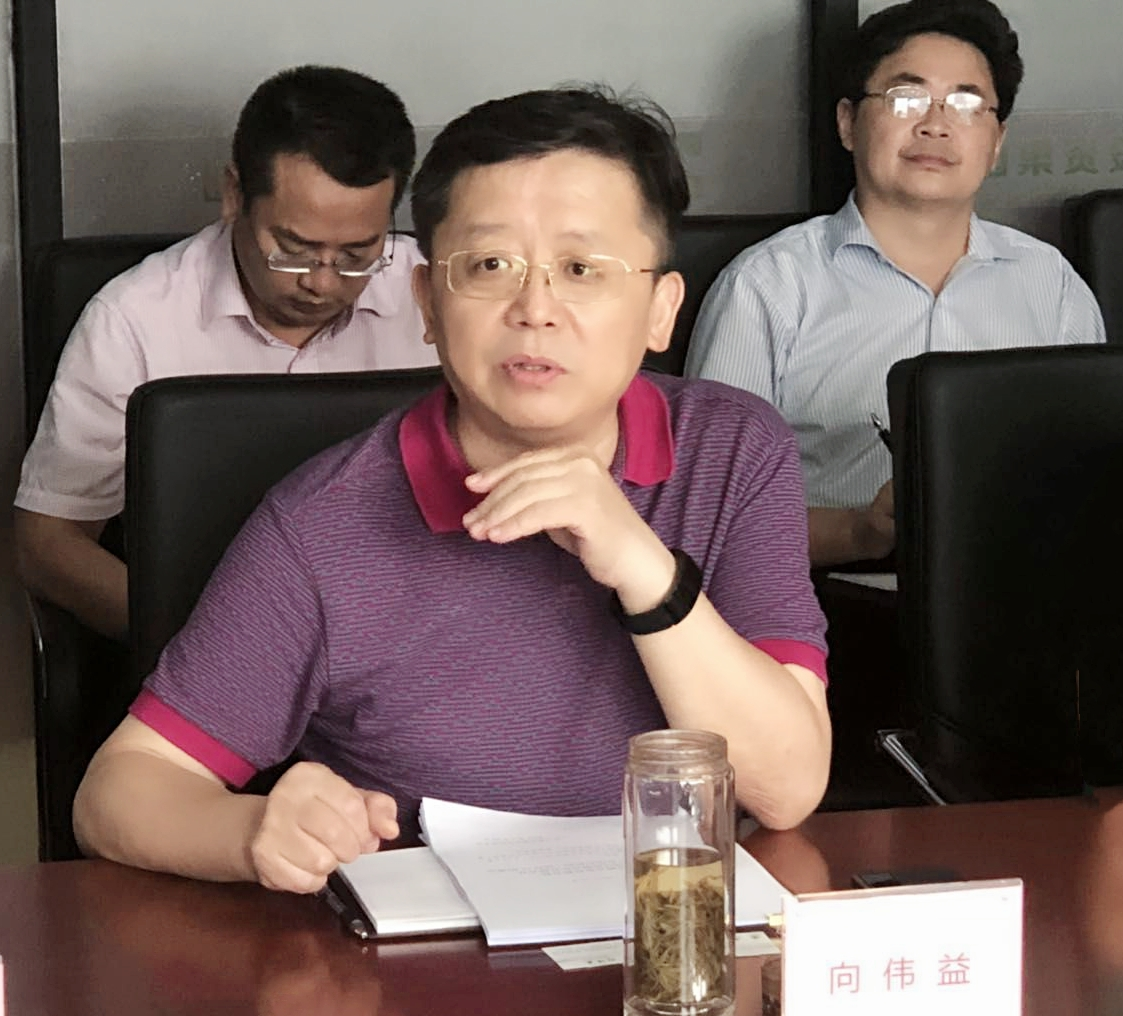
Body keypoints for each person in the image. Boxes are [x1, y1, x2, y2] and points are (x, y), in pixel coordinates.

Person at [74, 87, 831, 894]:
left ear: (659, 309)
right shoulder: (323, 522)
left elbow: (784, 788)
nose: (535, 310)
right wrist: (252, 830)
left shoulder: (732, 449)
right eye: (489, 266)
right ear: (428, 305)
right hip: (431, 951)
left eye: (581, 270)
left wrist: (642, 567)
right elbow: (117, 794)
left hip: (675, 933)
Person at [14, 65, 437, 640]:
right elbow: (46, 545)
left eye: (358, 255)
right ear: (235, 195)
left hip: (409, 631)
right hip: (208, 629)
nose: (322, 282)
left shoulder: (436, 297)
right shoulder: (135, 319)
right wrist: (214, 649)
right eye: (293, 249)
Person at [685, 0, 1105, 568]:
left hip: (1024, 587)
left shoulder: (1051, 283)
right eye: (906, 98)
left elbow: (1092, 474)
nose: (935, 124)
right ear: (847, 123)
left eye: (966, 103)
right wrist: (858, 531)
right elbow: (706, 516)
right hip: (835, 595)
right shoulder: (768, 285)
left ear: (997, 141)